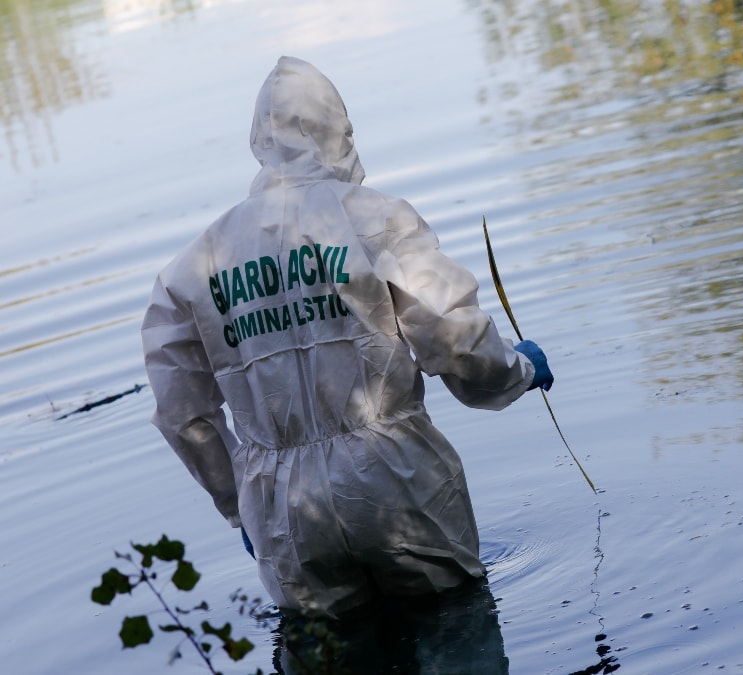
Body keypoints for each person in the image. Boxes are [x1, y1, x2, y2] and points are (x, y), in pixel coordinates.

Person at [141, 55, 553, 619]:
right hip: (398, 482)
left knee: (329, 655)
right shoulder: (373, 220)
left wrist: (239, 503)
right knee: (457, 632)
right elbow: (454, 341)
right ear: (341, 131)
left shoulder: (194, 267)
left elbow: (181, 414)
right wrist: (518, 369)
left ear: (258, 141)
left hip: (284, 511)